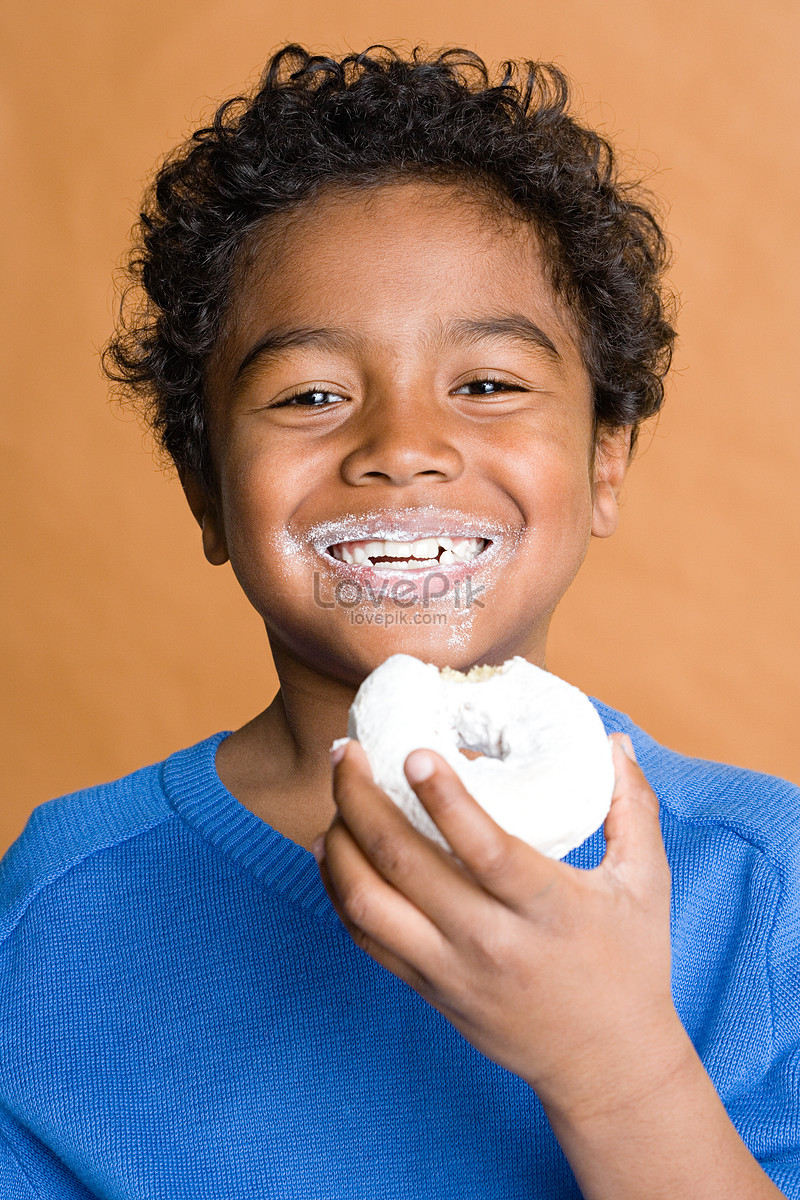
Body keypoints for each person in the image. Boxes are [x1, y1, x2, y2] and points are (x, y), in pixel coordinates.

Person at [1, 43, 797, 1200]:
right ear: (204, 491)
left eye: (485, 384)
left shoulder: (763, 890)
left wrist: (614, 1069)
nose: (401, 446)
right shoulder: (60, 913)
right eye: (310, 396)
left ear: (604, 458)